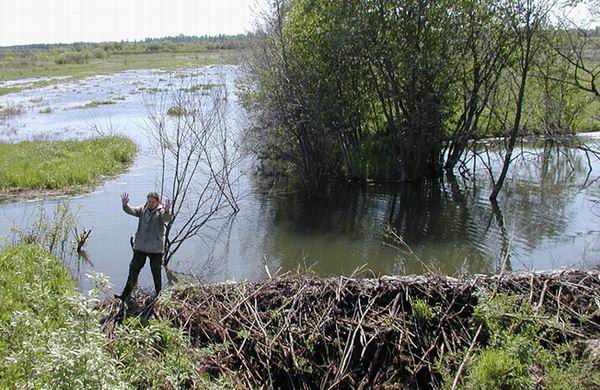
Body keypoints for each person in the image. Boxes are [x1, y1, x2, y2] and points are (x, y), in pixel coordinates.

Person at [115, 191, 173, 301]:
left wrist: (167, 210)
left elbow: (166, 218)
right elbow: (131, 211)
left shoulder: (160, 211)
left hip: (155, 248)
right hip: (140, 247)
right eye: (149, 201)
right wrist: (125, 205)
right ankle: (125, 295)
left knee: (156, 272)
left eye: (153, 201)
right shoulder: (142, 209)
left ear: (157, 201)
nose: (150, 203)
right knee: (133, 269)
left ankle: (158, 294)